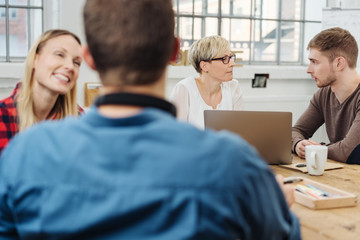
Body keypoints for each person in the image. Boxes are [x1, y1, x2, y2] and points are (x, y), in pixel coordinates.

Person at [0, 0, 300, 239]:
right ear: (173, 51)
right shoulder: (234, 164)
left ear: (89, 58)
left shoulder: (25, 154)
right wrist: (276, 205)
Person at [0, 29, 83, 153]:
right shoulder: (3, 115)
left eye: (76, 62)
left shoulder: (78, 118)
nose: (70, 66)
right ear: (35, 59)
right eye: (60, 54)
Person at [292, 27, 360, 164]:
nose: (308, 70)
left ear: (339, 63)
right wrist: (298, 144)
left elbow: (347, 151)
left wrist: (313, 149)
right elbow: (296, 131)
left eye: (315, 62)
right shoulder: (323, 95)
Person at [170, 35, 243, 129]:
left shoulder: (233, 87)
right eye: (224, 59)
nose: (233, 63)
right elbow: (176, 134)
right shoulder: (184, 89)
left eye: (231, 57)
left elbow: (239, 130)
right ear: (204, 66)